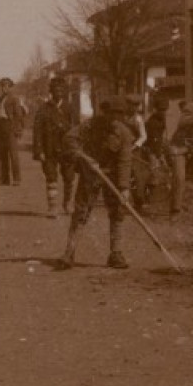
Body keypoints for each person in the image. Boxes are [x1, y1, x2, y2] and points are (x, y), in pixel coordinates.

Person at [56, 98, 137, 270]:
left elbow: (125, 162)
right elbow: (68, 139)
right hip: (90, 174)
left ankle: (116, 254)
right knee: (81, 212)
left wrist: (124, 188)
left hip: (113, 176)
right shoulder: (91, 126)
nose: (115, 119)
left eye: (119, 116)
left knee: (117, 212)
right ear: (105, 113)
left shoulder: (124, 134)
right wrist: (84, 157)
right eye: (112, 114)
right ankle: (69, 253)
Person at [30, 76, 80, 217]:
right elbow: (37, 130)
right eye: (55, 90)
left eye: (61, 90)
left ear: (64, 91)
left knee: (69, 177)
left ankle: (67, 203)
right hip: (49, 148)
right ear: (51, 91)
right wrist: (39, 150)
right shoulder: (44, 109)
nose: (58, 92)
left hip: (67, 149)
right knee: (51, 177)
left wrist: (77, 147)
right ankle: (52, 207)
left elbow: (78, 129)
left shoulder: (70, 108)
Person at [0, 78, 29, 186]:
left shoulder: (14, 99)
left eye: (6, 86)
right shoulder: (1, 99)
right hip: (1, 127)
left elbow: (18, 115)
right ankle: (4, 179)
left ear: (10, 87)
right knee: (2, 154)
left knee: (13, 154)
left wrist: (17, 129)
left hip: (10, 127)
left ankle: (17, 179)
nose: (4, 88)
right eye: (3, 86)